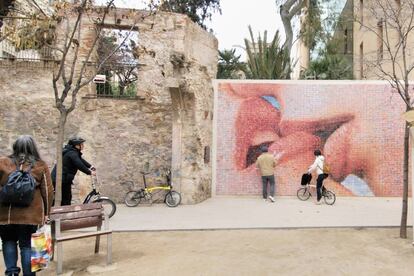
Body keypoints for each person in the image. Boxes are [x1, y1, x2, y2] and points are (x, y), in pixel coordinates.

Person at [0, 135, 54, 276]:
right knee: (26, 246)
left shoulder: (3, 162)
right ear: (33, 147)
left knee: (8, 241)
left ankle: (11, 272)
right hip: (30, 216)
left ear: (15, 147)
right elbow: (48, 192)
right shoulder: (40, 165)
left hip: (6, 215)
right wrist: (47, 213)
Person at [51, 136, 96, 206]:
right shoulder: (72, 154)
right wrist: (89, 172)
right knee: (66, 199)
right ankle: (61, 214)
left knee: (65, 198)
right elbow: (79, 164)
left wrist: (90, 166)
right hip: (61, 179)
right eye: (82, 144)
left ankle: (59, 213)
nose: (83, 146)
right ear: (77, 145)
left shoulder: (72, 152)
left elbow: (80, 160)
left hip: (63, 179)